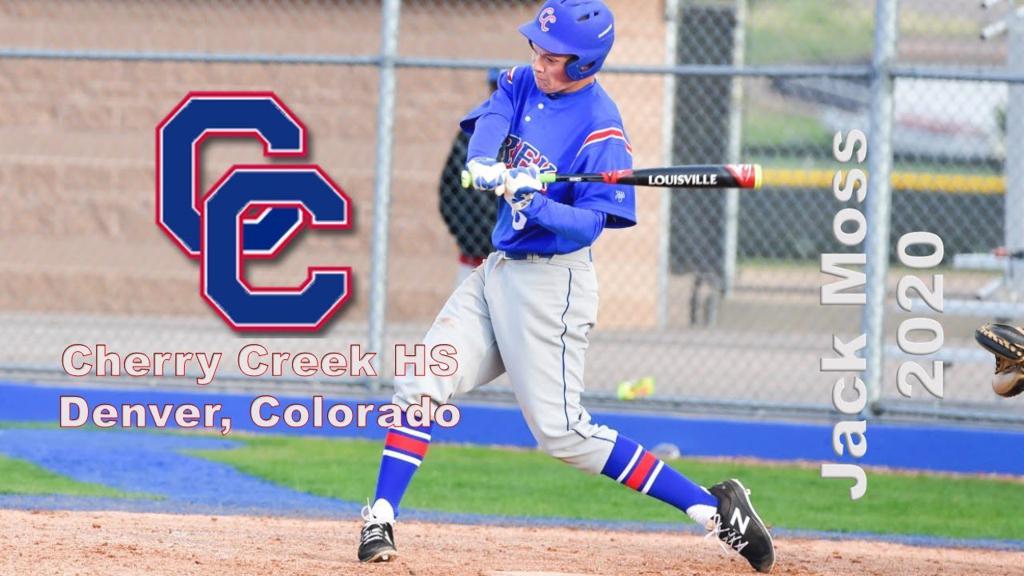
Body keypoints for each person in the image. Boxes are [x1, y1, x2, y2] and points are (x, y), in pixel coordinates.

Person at [357, 1, 776, 572]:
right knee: (422, 380)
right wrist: (486, 163)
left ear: (584, 64)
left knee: (562, 433)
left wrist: (536, 201)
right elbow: (494, 116)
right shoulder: (522, 81)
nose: (540, 62)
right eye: (538, 49)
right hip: (497, 271)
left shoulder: (603, 128)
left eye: (553, 58)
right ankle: (380, 515)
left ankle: (713, 509)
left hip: (552, 286)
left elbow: (592, 225)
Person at [439, 70, 500, 285]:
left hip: (516, 259)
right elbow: (448, 192)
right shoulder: (470, 133)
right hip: (473, 256)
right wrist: (467, 236)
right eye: (496, 88)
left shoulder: (530, 134)